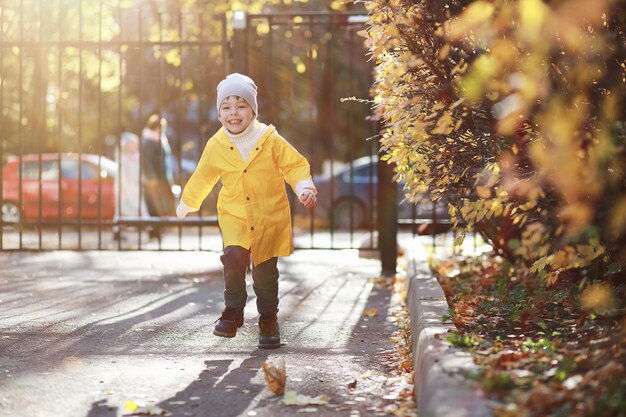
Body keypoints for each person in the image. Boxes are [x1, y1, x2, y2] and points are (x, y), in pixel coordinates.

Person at [176, 73, 317, 349]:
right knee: (233, 258)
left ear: (253, 110)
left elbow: (294, 165)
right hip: (235, 216)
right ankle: (233, 311)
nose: (234, 113)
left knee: (265, 272)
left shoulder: (270, 139)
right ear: (219, 114)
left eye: (241, 105)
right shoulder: (216, 144)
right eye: (226, 107)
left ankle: (268, 319)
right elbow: (203, 175)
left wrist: (304, 187)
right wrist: (188, 203)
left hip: (268, 215)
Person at [141, 114, 176, 238]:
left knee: (161, 205)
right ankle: (154, 231)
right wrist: (151, 178)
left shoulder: (160, 139)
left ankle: (159, 229)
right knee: (153, 205)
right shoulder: (148, 141)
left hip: (162, 178)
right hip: (154, 180)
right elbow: (146, 161)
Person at [113, 130, 148, 239]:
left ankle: (150, 229)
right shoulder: (123, 159)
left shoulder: (136, 158)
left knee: (141, 209)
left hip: (135, 188)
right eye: (131, 144)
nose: (134, 146)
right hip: (125, 189)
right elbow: (121, 176)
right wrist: (126, 188)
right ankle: (116, 231)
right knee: (121, 210)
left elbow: (139, 172)